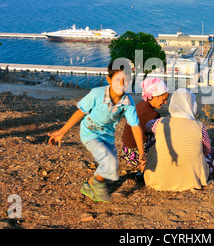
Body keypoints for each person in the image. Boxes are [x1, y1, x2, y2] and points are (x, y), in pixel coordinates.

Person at [47, 60, 144, 202]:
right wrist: (62, 131)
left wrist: (141, 151)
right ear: (109, 79)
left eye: (126, 80)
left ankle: (89, 185)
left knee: (112, 166)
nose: (122, 83)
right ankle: (95, 184)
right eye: (118, 79)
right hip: (90, 133)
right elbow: (80, 112)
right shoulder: (97, 94)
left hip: (107, 136)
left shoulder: (127, 102)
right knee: (109, 161)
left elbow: (135, 126)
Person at [143, 88, 214, 191]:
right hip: (191, 180)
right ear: (191, 105)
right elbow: (207, 151)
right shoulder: (199, 126)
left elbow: (147, 127)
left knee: (153, 136)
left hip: (158, 179)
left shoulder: (159, 122)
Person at [121, 77, 169, 168]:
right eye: (164, 99)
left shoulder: (141, 105)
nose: (165, 102)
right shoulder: (152, 114)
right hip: (136, 155)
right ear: (155, 96)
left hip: (126, 151)